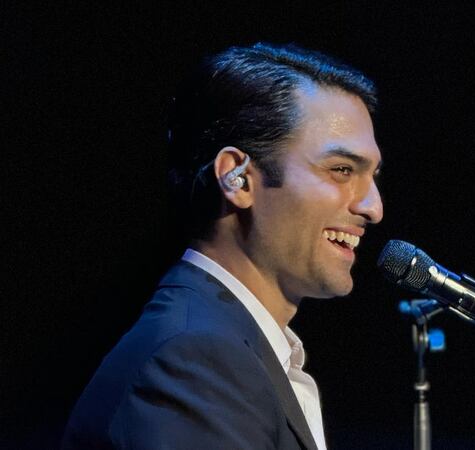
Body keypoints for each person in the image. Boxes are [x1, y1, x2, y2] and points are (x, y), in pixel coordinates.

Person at [62, 42, 384, 450]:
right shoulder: (194, 358)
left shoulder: (233, 346)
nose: (373, 207)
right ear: (238, 178)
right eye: (341, 170)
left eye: (373, 176)